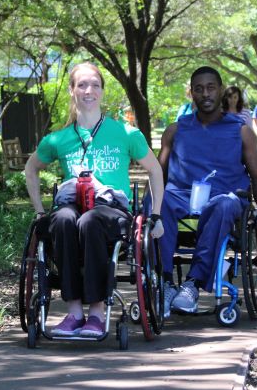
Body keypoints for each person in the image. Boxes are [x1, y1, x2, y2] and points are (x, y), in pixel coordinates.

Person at [24, 62, 164, 337]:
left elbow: (155, 170)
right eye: (82, 85)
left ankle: (97, 314)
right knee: (63, 219)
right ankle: (74, 312)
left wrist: (156, 215)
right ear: (72, 90)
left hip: (110, 210)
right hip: (71, 205)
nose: (89, 91)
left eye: (95, 85)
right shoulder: (58, 139)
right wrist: (40, 211)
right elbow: (30, 169)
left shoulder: (125, 133)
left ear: (102, 91)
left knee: (90, 221)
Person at [158, 66, 257, 317]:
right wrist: (144, 210)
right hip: (182, 197)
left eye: (210, 88)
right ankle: (163, 283)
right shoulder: (176, 130)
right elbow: (157, 176)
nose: (205, 94)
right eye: (199, 89)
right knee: (159, 201)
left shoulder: (240, 131)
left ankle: (193, 284)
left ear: (220, 91)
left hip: (224, 198)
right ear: (192, 94)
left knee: (224, 204)